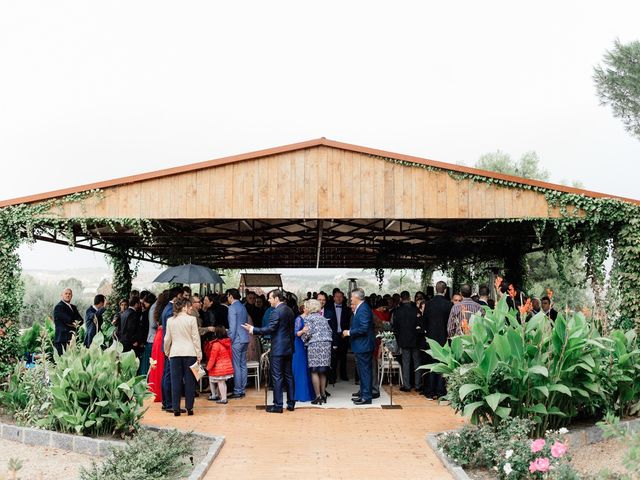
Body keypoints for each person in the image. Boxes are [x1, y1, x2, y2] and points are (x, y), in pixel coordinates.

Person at [242, 289, 295, 413]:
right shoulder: (289, 310)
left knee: (277, 377)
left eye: (270, 298)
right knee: (289, 376)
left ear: (277, 298)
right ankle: (291, 404)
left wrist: (253, 329)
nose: (268, 300)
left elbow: (270, 329)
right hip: (289, 348)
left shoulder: (276, 312)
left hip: (278, 349)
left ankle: (278, 405)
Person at [163, 296, 202, 416]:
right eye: (189, 306)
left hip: (175, 353)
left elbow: (167, 339)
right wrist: (199, 353)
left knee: (175, 381)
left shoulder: (170, 320)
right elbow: (196, 338)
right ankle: (189, 408)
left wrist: (167, 352)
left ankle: (176, 408)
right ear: (184, 307)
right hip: (190, 352)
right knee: (190, 381)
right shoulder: (191, 320)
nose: (190, 308)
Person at [344, 288, 375, 405]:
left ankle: (366, 397)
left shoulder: (364, 309)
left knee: (365, 372)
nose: (351, 299)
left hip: (364, 345)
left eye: (351, 297)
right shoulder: (361, 308)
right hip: (361, 345)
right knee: (362, 372)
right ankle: (363, 393)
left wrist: (349, 332)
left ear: (357, 297)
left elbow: (363, 328)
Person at [423, 281, 453, 399]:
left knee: (431, 364)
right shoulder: (448, 304)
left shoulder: (429, 304)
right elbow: (450, 324)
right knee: (442, 364)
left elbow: (424, 321)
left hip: (431, 338)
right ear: (445, 290)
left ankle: (430, 391)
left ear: (436, 289)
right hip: (443, 339)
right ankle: (440, 391)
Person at [300, 299, 333, 404]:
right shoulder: (323, 318)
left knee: (314, 370)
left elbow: (307, 333)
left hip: (315, 345)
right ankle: (323, 394)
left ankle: (317, 396)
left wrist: (303, 340)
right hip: (326, 345)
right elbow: (330, 331)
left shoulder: (309, 318)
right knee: (323, 370)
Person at [392, 291, 423, 392]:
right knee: (417, 362)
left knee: (406, 362)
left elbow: (395, 326)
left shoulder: (397, 311)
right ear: (409, 298)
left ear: (401, 299)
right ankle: (418, 385)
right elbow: (420, 324)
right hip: (416, 339)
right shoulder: (416, 310)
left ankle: (407, 385)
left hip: (404, 339)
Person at [161, 286, 184, 412]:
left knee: (167, 374)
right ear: (177, 296)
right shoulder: (170, 311)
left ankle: (166, 402)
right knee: (170, 376)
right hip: (171, 347)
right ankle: (169, 403)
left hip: (169, 346)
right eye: (181, 296)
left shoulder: (166, 308)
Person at [227, 288, 250, 399]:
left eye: (227, 296)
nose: (227, 299)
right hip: (245, 337)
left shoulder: (232, 308)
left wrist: (229, 339)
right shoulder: (243, 307)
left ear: (231, 296)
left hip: (237, 339)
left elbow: (232, 326)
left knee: (236, 365)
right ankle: (242, 389)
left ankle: (237, 390)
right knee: (242, 364)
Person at [149, 291, 170, 403]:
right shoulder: (167, 310)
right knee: (163, 366)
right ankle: (163, 394)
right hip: (163, 336)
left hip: (158, 335)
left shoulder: (158, 309)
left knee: (157, 366)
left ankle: (157, 392)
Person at [326, 290, 351, 383]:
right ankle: (332, 377)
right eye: (337, 296)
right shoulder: (328, 309)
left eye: (341, 296)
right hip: (333, 335)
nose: (339, 298)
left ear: (343, 298)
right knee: (333, 357)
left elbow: (349, 323)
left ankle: (343, 375)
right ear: (333, 298)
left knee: (343, 357)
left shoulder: (347, 309)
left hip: (343, 335)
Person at [292, 304, 315, 403]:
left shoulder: (311, 319)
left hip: (308, 345)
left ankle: (309, 393)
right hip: (299, 345)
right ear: (304, 309)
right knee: (300, 369)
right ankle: (300, 394)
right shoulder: (298, 319)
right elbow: (296, 333)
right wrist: (303, 330)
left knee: (307, 369)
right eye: (307, 307)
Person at [206, 326, 234, 404]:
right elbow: (230, 355)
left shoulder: (216, 344)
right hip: (227, 366)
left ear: (216, 333)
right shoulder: (227, 343)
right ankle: (223, 397)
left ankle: (223, 399)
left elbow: (212, 358)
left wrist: (208, 368)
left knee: (220, 382)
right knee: (223, 383)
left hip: (220, 367)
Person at [53, 288, 83, 355]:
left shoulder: (73, 307)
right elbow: (68, 320)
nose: (68, 295)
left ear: (72, 296)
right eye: (66, 293)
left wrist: (73, 323)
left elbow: (81, 320)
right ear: (62, 295)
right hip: (62, 340)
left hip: (72, 339)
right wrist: (75, 323)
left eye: (69, 294)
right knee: (62, 363)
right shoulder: (59, 307)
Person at [138, 293, 156, 375]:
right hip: (151, 339)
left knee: (145, 363)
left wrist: (142, 341)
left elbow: (144, 328)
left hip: (148, 339)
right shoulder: (153, 311)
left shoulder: (146, 313)